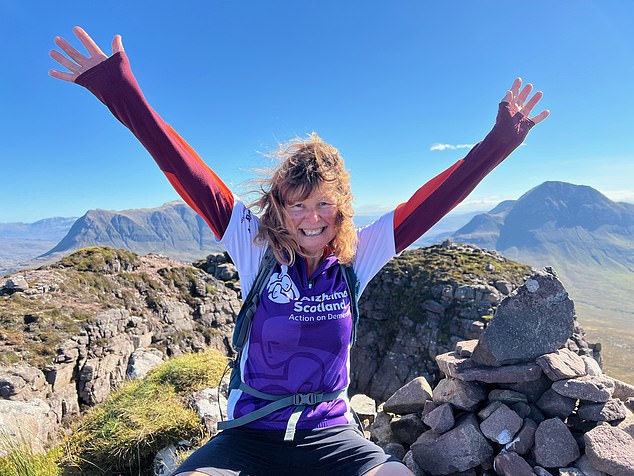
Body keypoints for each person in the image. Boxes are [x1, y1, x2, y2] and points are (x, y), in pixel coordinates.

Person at [49, 26, 549, 476]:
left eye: (324, 204)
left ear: (341, 207)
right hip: (248, 437)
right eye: (299, 205)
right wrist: (119, 89)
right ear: (280, 208)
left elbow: (436, 199)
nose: (312, 218)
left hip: (333, 439)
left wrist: (499, 143)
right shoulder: (254, 246)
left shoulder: (360, 255)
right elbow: (189, 172)